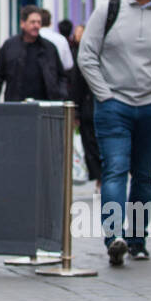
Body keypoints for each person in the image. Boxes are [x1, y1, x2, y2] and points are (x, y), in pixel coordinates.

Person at [77, 0, 151, 266]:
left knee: (145, 178)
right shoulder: (109, 10)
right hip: (114, 108)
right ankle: (114, 238)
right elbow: (87, 56)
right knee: (115, 170)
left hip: (150, 108)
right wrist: (105, 95)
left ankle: (137, 240)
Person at [0, 6, 67, 103]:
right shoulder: (9, 46)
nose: (36, 25)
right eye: (32, 22)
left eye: (39, 22)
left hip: (44, 107)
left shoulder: (49, 48)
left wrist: (60, 95)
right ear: (22, 23)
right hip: (16, 106)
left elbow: (62, 76)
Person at [61, 20, 102, 189]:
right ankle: (100, 176)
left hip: (99, 106)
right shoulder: (78, 55)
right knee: (90, 144)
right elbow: (76, 84)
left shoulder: (95, 54)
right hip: (87, 108)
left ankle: (102, 176)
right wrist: (75, 111)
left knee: (97, 143)